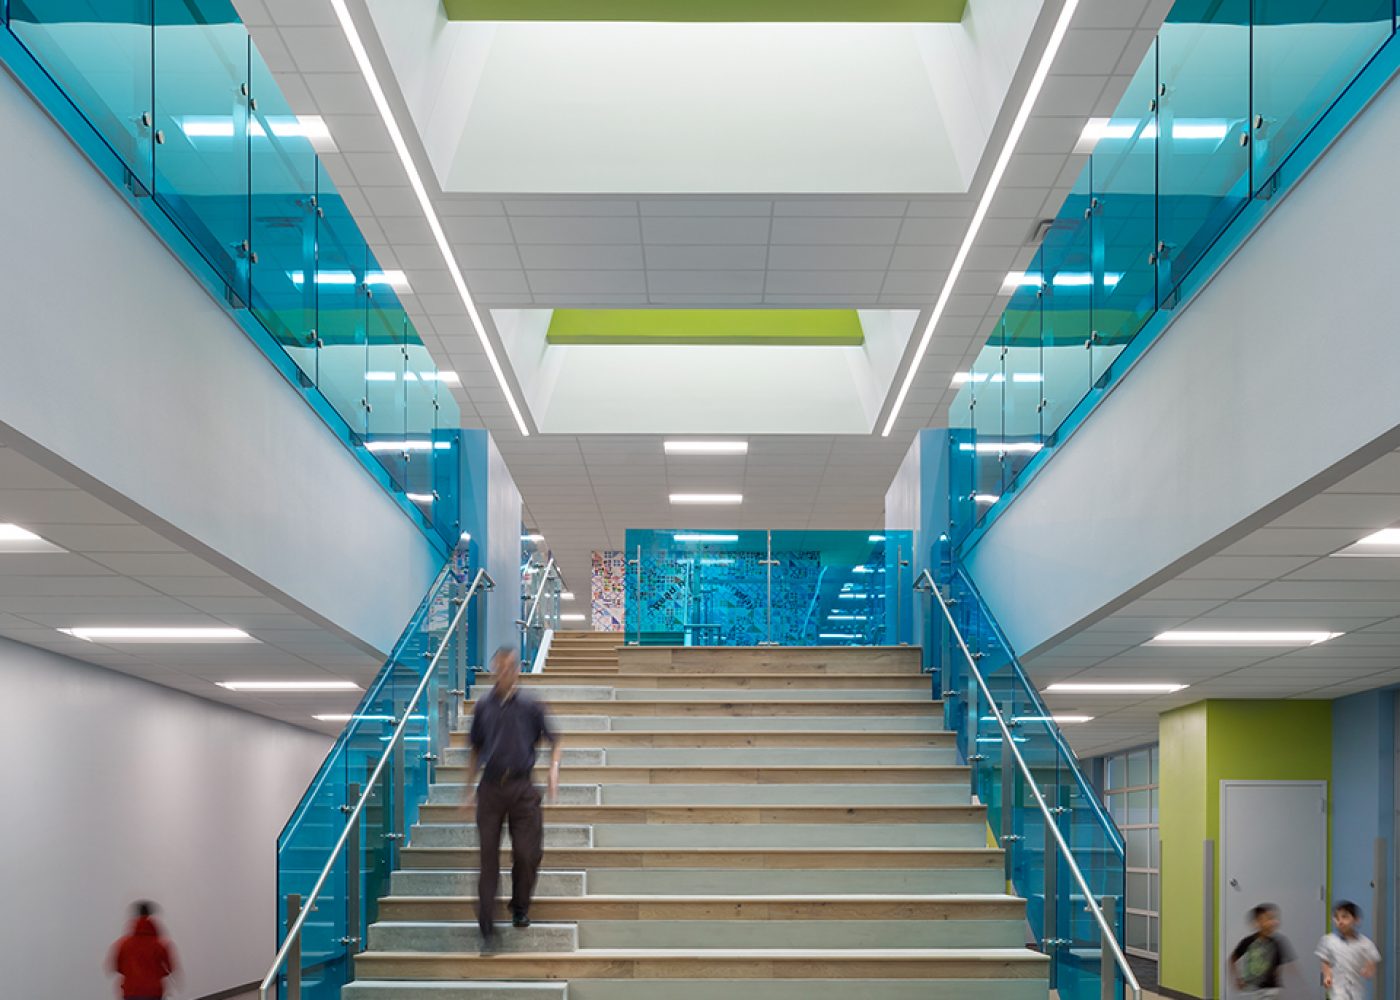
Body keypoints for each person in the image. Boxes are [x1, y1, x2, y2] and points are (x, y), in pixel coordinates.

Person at [464, 645, 562, 944]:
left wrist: (553, 768)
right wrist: (467, 789)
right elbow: (476, 748)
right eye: (499, 667)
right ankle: (486, 924)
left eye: (509, 667)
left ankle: (520, 908)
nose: (504, 672)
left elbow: (555, 739)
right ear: (494, 669)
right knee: (488, 857)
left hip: (523, 787)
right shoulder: (483, 706)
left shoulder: (532, 705)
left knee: (527, 852)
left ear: (517, 669)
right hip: (491, 787)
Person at [107, 901, 179, 1000]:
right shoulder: (159, 944)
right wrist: (156, 973)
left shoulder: (124, 944)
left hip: (131, 993)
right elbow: (170, 968)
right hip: (153, 993)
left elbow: (115, 967)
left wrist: (131, 972)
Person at [1317, 900, 1381, 1000]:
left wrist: (1369, 970)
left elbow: (1372, 961)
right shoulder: (1328, 940)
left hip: (1357, 991)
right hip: (1337, 991)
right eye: (1337, 918)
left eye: (1344, 917)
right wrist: (1327, 975)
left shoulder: (1365, 943)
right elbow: (1325, 960)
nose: (1340, 921)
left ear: (1356, 920)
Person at [1228, 903, 1293, 999]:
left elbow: (1281, 967)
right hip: (1251, 988)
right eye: (1268, 919)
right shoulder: (1248, 941)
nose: (1272, 922)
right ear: (1257, 922)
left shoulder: (1277, 943)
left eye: (1273, 918)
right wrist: (1237, 978)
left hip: (1271, 990)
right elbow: (1233, 958)